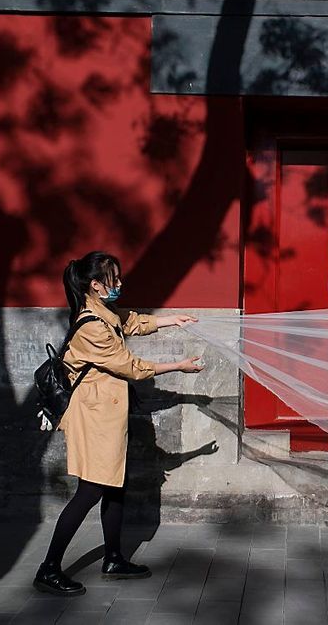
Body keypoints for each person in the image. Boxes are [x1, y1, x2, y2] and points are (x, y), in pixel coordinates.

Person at [33, 251, 205, 596]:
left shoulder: (103, 313)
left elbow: (132, 323)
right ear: (95, 286)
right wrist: (179, 366)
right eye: (113, 279)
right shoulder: (92, 327)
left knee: (114, 486)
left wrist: (173, 320)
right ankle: (48, 568)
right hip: (93, 416)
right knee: (90, 490)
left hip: (106, 413)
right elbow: (131, 367)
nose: (119, 284)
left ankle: (113, 557)